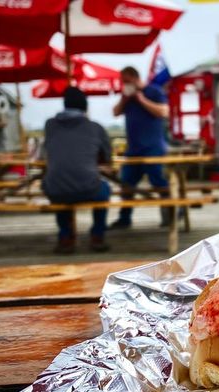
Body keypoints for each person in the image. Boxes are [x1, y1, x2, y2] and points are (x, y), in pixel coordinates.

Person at [42, 87, 111, 254]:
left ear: (64, 105)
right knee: (105, 190)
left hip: (54, 189)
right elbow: (106, 158)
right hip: (88, 186)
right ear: (85, 107)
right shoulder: (95, 128)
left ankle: (65, 237)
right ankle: (97, 236)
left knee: (60, 187)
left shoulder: (50, 125)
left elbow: (48, 153)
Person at [109, 66, 170, 230]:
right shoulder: (127, 99)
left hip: (153, 147)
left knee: (159, 182)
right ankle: (124, 218)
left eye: (126, 81)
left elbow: (163, 112)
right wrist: (124, 98)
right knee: (127, 184)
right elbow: (115, 112)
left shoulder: (154, 91)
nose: (124, 84)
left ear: (135, 78)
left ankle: (170, 215)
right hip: (133, 149)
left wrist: (141, 99)